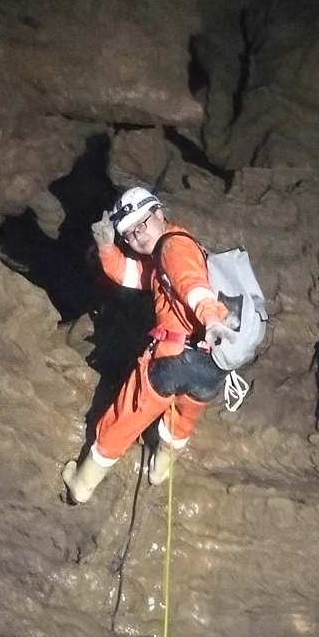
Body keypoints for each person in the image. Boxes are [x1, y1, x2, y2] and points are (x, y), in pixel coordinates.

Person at [62, 186, 230, 503]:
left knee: (126, 416)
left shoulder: (173, 250)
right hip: (210, 365)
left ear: (159, 214)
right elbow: (133, 276)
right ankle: (160, 468)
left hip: (172, 359)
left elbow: (192, 284)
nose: (139, 236)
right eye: (130, 235)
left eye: (142, 224)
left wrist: (212, 319)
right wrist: (107, 247)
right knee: (182, 419)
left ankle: (82, 485)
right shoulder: (167, 250)